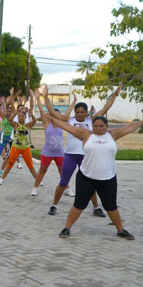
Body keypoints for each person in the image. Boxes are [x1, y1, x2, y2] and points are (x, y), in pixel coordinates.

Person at [49, 115, 142, 240]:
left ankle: (121, 230)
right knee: (79, 205)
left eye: (101, 126)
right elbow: (67, 127)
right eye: (95, 126)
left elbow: (129, 127)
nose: (98, 129)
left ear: (106, 126)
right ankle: (67, 228)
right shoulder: (86, 134)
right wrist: (52, 118)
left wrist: (141, 121)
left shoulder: (112, 134)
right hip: (86, 177)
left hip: (108, 178)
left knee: (111, 206)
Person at [44, 83, 123, 216]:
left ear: (87, 112)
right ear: (75, 113)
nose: (80, 114)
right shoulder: (68, 120)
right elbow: (52, 112)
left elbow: (105, 107)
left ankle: (96, 208)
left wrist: (115, 95)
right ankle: (54, 205)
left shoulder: (91, 120)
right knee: (63, 182)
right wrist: (45, 97)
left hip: (86, 157)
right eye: (78, 112)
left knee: (91, 182)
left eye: (82, 112)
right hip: (70, 155)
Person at [30, 90, 76, 196]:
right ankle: (35, 188)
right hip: (47, 152)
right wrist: (37, 98)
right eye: (54, 115)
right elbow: (41, 110)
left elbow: (68, 113)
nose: (56, 116)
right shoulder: (47, 123)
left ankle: (68, 189)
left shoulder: (61, 124)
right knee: (42, 170)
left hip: (59, 152)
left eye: (57, 115)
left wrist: (74, 101)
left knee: (62, 172)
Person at [0, 91, 37, 185]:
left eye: (22, 115)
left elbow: (32, 113)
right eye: (20, 116)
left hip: (26, 148)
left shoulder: (28, 123)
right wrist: (15, 111)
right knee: (10, 163)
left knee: (30, 166)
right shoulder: (15, 123)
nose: (21, 117)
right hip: (15, 147)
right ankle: (2, 178)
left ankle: (38, 180)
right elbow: (10, 119)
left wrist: (32, 97)